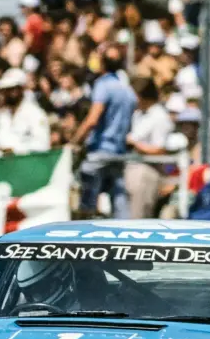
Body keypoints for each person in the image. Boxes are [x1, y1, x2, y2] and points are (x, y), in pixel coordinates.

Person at [71, 44, 136, 218]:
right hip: (119, 151)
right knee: (119, 198)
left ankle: (83, 230)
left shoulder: (103, 85)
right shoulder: (127, 90)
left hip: (100, 150)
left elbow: (93, 119)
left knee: (87, 194)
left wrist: (74, 142)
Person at [125, 76, 174, 218]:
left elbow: (160, 149)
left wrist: (134, 144)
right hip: (131, 166)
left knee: (139, 217)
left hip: (147, 171)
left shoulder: (160, 116)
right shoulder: (138, 114)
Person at [0, 68, 51, 154]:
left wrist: (15, 150)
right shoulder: (2, 115)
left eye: (12, 89)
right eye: (5, 90)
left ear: (21, 89)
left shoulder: (35, 113)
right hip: (3, 163)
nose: (7, 93)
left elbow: (42, 145)